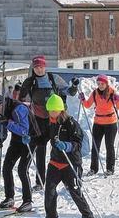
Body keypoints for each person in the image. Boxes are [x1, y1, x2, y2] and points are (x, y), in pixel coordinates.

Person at [19, 55, 78, 191]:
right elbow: (21, 98)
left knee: (59, 149)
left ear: (44, 67)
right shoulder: (31, 81)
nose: (39, 70)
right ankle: (40, 181)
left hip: (55, 119)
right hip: (38, 120)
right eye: (36, 68)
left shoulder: (53, 79)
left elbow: (69, 92)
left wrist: (74, 86)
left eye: (41, 67)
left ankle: (68, 179)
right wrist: (21, 88)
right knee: (40, 150)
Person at [39, 94, 94, 218]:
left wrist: (67, 145)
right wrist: (31, 140)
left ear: (61, 110)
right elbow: (43, 137)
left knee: (75, 191)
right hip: (55, 162)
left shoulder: (70, 123)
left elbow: (78, 143)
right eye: (50, 110)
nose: (52, 113)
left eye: (54, 110)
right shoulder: (50, 122)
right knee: (49, 191)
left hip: (71, 163)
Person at [0, 92, 33, 212]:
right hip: (16, 140)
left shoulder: (19, 108)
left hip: (29, 140)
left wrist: (8, 123)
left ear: (0, 104)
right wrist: (0, 137)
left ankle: (28, 200)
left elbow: (24, 130)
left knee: (22, 170)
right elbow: (3, 126)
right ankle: (9, 197)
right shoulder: (1, 111)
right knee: (6, 167)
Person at [78, 74, 119, 176]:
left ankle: (110, 168)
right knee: (95, 147)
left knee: (109, 146)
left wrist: (117, 100)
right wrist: (83, 99)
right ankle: (94, 169)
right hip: (98, 123)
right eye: (98, 84)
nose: (100, 85)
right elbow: (87, 105)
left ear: (106, 83)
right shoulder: (95, 93)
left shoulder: (112, 92)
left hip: (110, 123)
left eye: (102, 83)